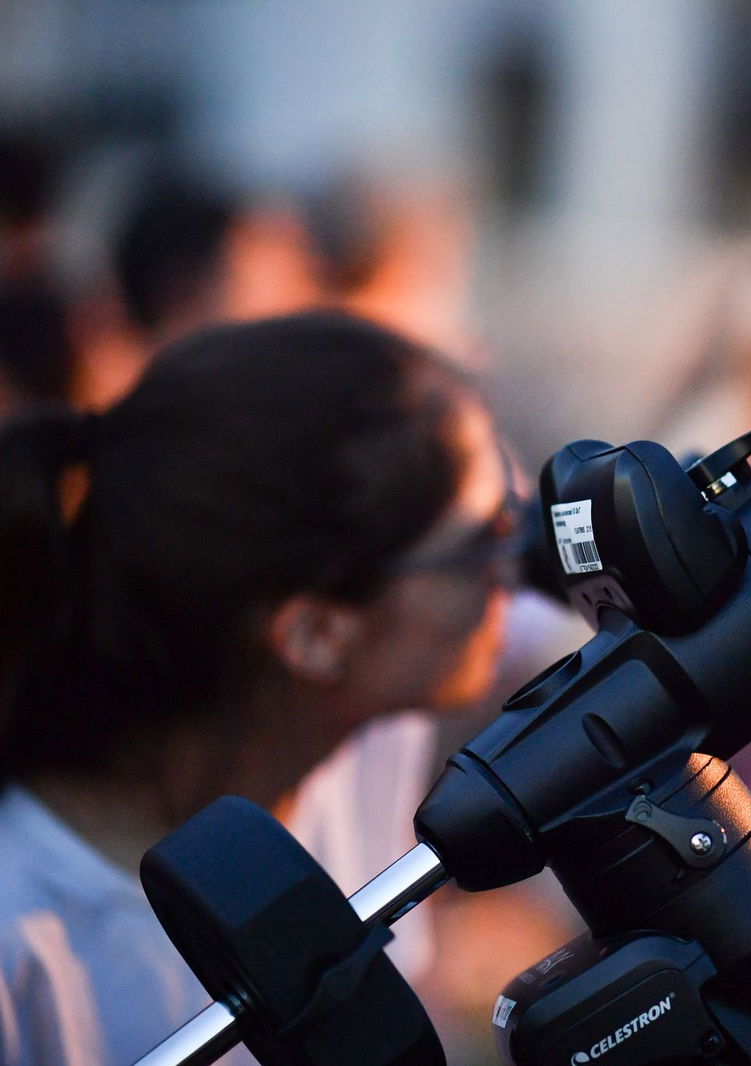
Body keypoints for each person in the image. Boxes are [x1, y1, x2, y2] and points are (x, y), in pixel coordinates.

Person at [0, 311, 518, 1066]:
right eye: (485, 538)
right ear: (315, 634)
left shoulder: (364, 738)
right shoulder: (22, 936)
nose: (515, 572)